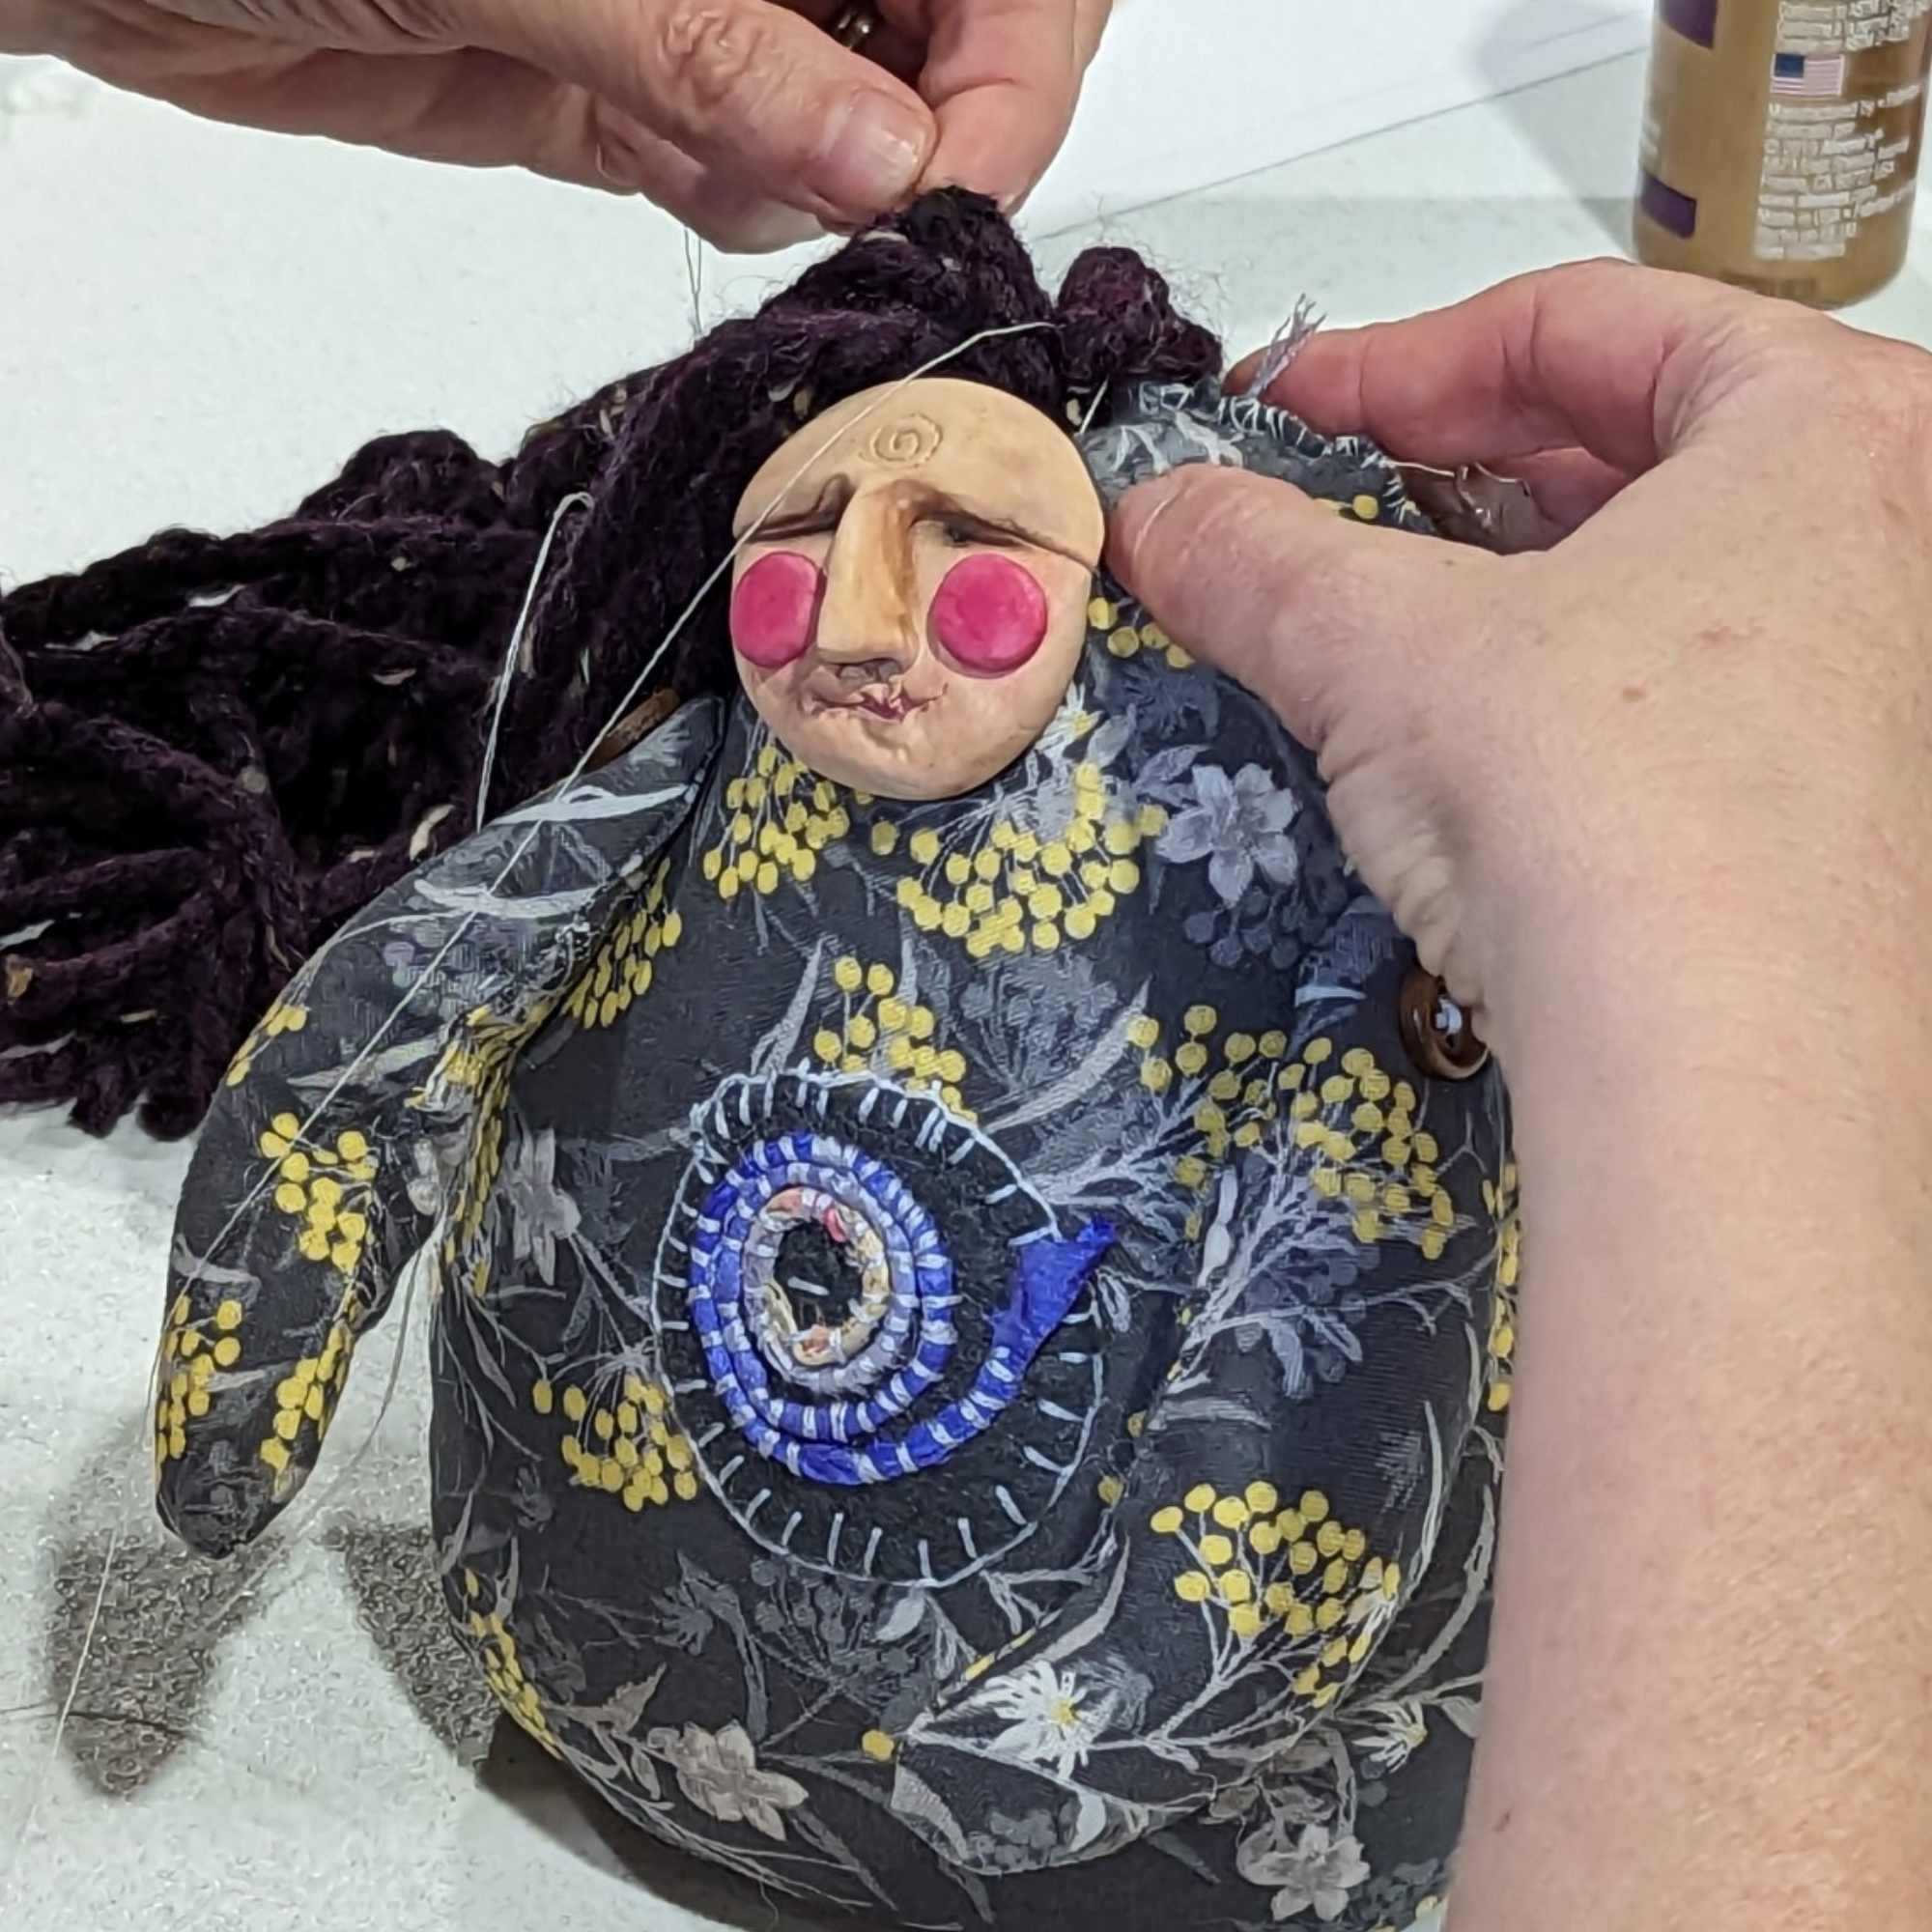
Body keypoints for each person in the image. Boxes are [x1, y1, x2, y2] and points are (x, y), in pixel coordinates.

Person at [6, 7, 1930, 1928]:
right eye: (788, 554)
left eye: (970, 563)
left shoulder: (1366, 846)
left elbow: (1333, 1361)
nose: (850, 628)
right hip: (579, 1694)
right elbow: (386, 1037)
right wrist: (245, 1404)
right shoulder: (689, 786)